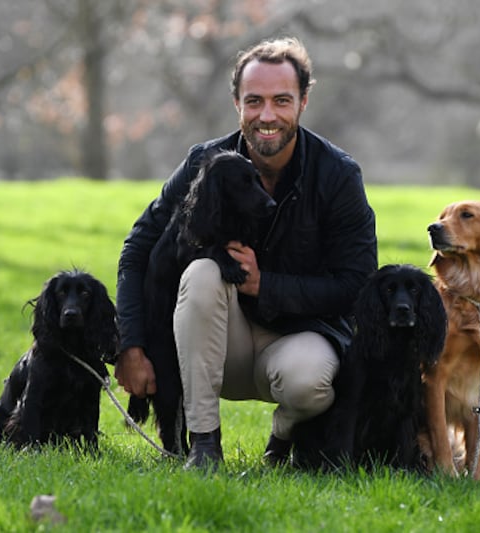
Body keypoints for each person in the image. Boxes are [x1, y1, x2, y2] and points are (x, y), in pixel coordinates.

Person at [112, 37, 377, 470]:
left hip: (299, 336)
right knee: (203, 273)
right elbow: (137, 249)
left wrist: (264, 285)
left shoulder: (338, 175)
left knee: (308, 382)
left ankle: (282, 437)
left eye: (281, 100)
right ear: (237, 103)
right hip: (217, 342)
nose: (266, 115)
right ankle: (203, 446)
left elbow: (358, 285)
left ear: (303, 102)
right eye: (254, 101)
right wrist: (131, 344)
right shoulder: (204, 163)